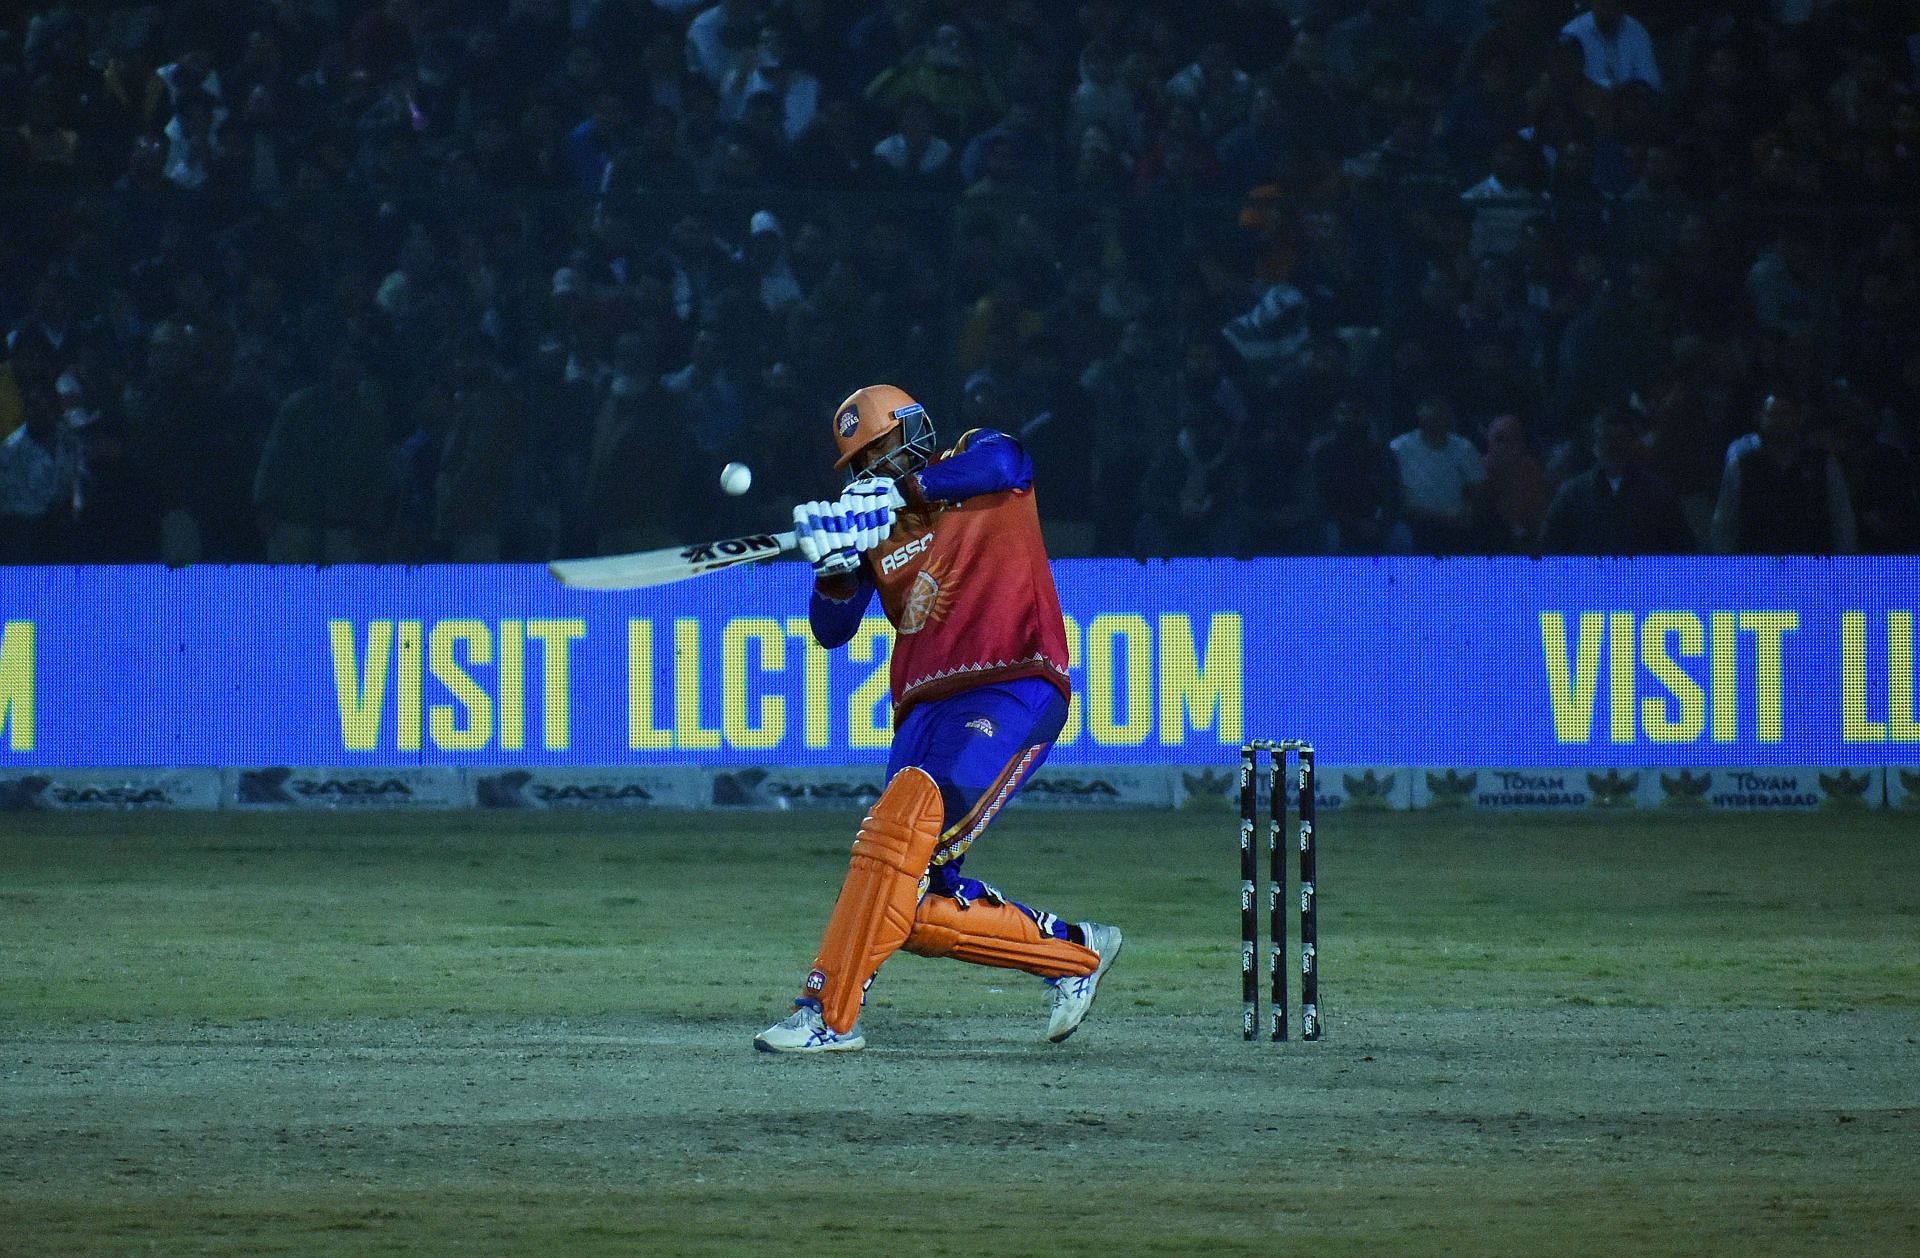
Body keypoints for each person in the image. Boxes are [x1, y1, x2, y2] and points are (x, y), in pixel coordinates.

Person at [754, 384, 1123, 1054]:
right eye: (861, 463)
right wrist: (835, 570)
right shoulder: (875, 526)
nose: (873, 469)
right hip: (921, 710)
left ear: (915, 429)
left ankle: (826, 1014)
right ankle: (1077, 952)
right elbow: (830, 630)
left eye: (881, 448)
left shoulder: (978, 457)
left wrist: (906, 490)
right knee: (913, 902)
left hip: (1011, 682)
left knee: (901, 833)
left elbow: (1008, 462)